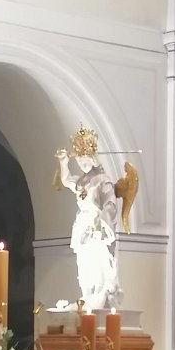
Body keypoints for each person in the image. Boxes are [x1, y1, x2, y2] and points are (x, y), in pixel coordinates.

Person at [55, 125, 122, 310]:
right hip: (82, 225)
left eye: (86, 160)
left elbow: (110, 203)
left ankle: (99, 296)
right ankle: (86, 296)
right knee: (83, 262)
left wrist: (101, 222)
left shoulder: (102, 179)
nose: (83, 164)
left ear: (93, 159)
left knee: (97, 263)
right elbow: (65, 180)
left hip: (95, 225)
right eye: (80, 160)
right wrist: (63, 162)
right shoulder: (81, 181)